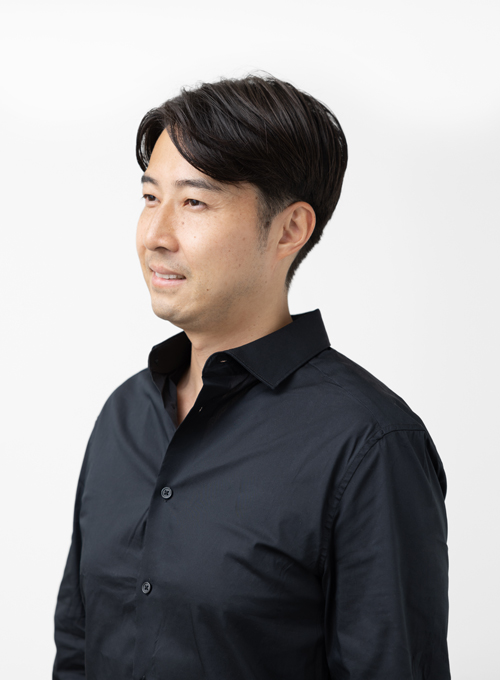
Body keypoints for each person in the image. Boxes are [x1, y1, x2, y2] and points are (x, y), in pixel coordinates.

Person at [53, 74, 451, 679]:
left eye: (194, 202)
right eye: (150, 198)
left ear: (290, 230)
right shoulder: (125, 414)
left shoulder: (369, 445)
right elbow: (78, 651)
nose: (156, 236)